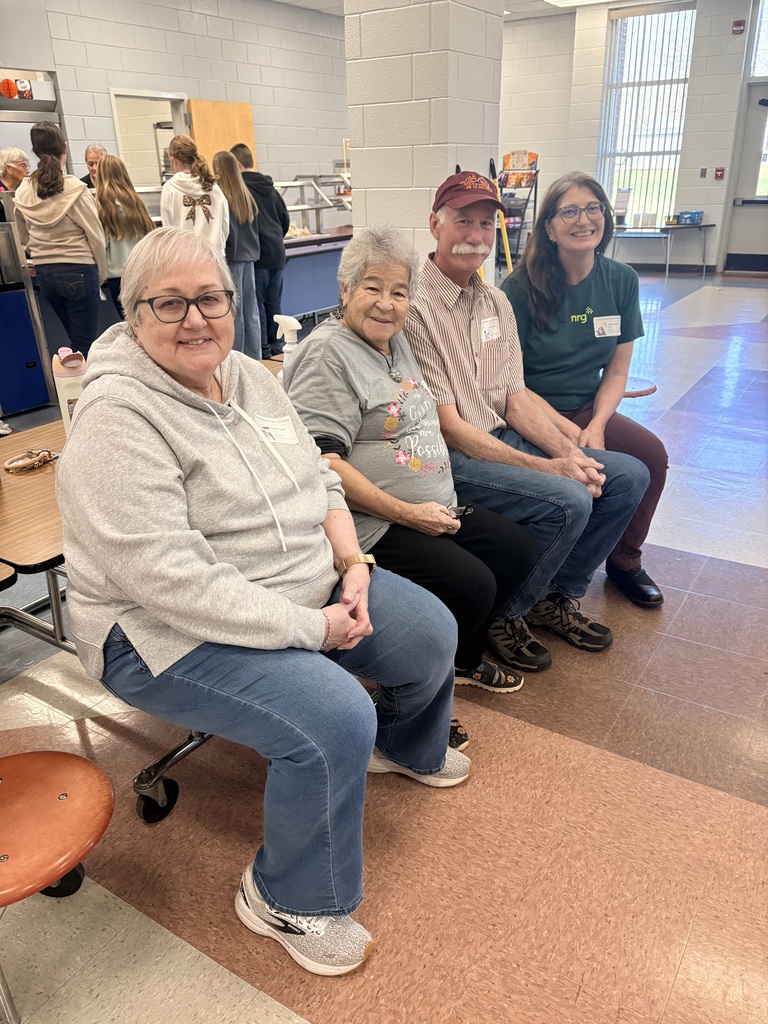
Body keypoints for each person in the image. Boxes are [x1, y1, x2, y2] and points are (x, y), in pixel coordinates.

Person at [55, 226, 468, 978]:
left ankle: (402, 749)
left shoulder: (249, 376)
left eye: (209, 298)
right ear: (132, 312)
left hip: (298, 585)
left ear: (232, 298)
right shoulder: (117, 418)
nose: (195, 319)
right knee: (334, 715)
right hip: (155, 634)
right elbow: (169, 579)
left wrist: (352, 562)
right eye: (169, 303)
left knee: (431, 630)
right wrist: (310, 628)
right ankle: (286, 897)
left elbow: (320, 477)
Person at [285, 224, 536, 719]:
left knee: (515, 549)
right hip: (372, 524)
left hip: (431, 506)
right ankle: (405, 701)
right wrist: (408, 512)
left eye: (399, 292)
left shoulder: (395, 343)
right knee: (472, 584)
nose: (386, 303)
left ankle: (460, 662)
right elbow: (324, 464)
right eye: (372, 288)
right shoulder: (327, 355)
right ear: (345, 290)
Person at [405, 171, 650, 673]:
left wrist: (570, 453)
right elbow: (450, 427)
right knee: (569, 499)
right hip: (450, 458)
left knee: (627, 476)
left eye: (484, 224)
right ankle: (507, 615)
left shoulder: (495, 301)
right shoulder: (414, 306)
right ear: (435, 223)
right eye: (462, 221)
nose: (474, 234)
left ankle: (554, 597)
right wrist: (547, 470)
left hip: (499, 435)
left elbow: (515, 396)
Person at [501, 172, 667, 608]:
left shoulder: (621, 280)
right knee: (587, 475)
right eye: (569, 211)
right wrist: (562, 433)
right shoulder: (519, 289)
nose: (584, 219)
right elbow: (507, 382)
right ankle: (555, 571)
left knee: (650, 455)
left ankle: (625, 562)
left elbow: (617, 370)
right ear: (550, 228)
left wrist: (597, 422)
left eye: (593, 208)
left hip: (587, 406)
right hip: (529, 410)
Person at [14, 122, 106, 358]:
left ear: (34, 152)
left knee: (76, 341)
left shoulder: (24, 190)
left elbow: (23, 236)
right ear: (64, 147)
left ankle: (76, 389)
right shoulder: (75, 188)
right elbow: (95, 236)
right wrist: (101, 275)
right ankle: (86, 392)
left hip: (46, 274)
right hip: (79, 270)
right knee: (86, 344)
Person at [230, 143, 290, 358]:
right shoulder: (270, 188)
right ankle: (279, 346)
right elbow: (285, 219)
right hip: (277, 253)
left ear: (236, 164)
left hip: (256, 255)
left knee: (257, 306)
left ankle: (263, 351)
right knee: (274, 304)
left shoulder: (239, 190)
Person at [212, 149, 262, 360]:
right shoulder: (246, 196)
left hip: (232, 258)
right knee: (251, 310)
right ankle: (255, 356)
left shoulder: (222, 197)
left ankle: (237, 357)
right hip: (250, 257)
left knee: (235, 312)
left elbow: (224, 231)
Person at [94, 153, 155, 316]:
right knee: (146, 318)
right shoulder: (135, 201)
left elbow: (101, 243)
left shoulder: (101, 205)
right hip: (141, 270)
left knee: (128, 321)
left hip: (118, 274)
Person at [161, 135, 228, 251]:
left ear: (173, 160)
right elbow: (225, 226)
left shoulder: (170, 189)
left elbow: (168, 232)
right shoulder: (213, 187)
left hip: (184, 258)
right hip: (213, 257)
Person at [0, 146, 30, 223]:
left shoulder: (27, 188)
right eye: (23, 165)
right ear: (9, 168)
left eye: (27, 166)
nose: (28, 170)